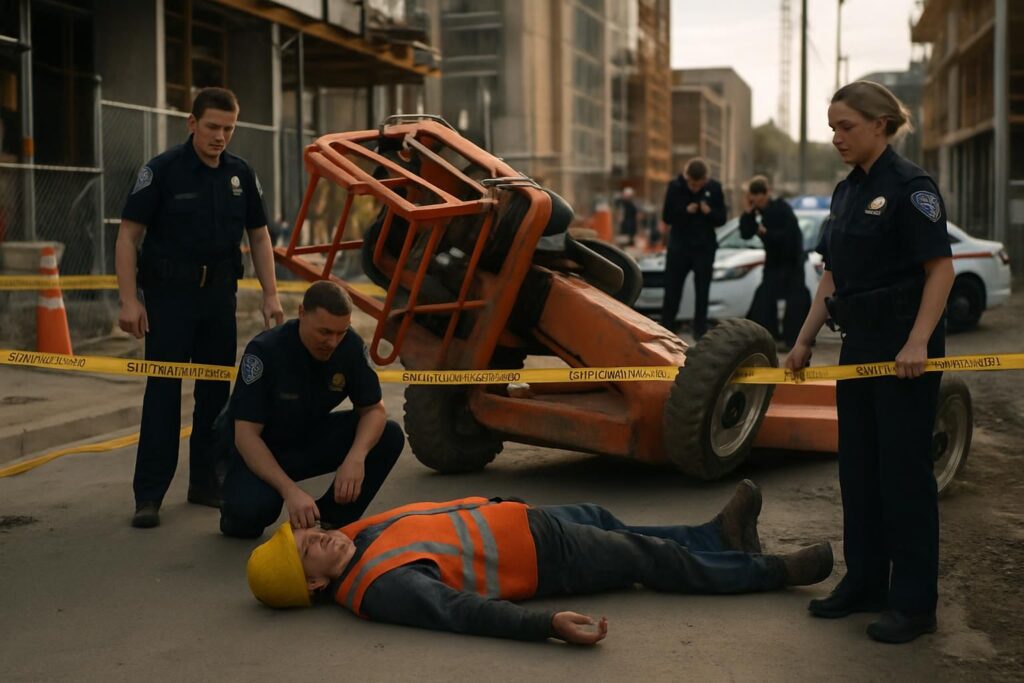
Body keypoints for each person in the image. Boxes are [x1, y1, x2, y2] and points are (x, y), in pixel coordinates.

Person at [244, 481, 835, 644]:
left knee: (609, 520)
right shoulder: (377, 587)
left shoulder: (352, 540)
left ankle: (719, 536)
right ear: (316, 587)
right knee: (646, 558)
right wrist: (545, 626)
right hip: (547, 560)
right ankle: (772, 572)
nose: (318, 537)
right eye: (308, 553)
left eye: (309, 536)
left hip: (527, 520)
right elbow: (464, 612)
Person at [784, 81, 954, 644]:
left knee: (904, 476)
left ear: (881, 124)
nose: (836, 137)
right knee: (858, 471)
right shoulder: (845, 192)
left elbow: (940, 271)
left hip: (904, 350)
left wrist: (918, 343)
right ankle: (864, 583)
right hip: (859, 348)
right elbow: (832, 274)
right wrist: (804, 340)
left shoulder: (911, 188)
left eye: (846, 126)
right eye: (832, 127)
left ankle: (913, 603)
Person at [116, 87, 285, 529]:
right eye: (212, 126)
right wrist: (130, 299)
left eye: (228, 128)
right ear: (192, 124)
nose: (220, 136)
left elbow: (260, 236)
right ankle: (149, 495)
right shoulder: (163, 171)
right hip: (169, 299)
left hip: (218, 299)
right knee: (164, 394)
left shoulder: (240, 174)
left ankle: (206, 483)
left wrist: (271, 294)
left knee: (214, 394)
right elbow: (128, 236)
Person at [218, 280, 405, 539]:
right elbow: (246, 436)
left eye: (341, 332)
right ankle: (235, 501)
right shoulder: (265, 351)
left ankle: (329, 519)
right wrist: (289, 491)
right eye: (325, 332)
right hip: (263, 448)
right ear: (302, 312)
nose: (333, 342)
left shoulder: (349, 346)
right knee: (249, 516)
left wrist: (356, 457)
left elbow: (374, 409)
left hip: (307, 437)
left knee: (388, 435)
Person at [739, 175, 811, 347]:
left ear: (764, 195)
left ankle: (794, 340)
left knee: (796, 302)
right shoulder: (758, 211)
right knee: (764, 298)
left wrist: (766, 233)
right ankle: (769, 337)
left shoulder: (781, 209)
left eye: (756, 197)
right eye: (751, 198)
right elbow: (746, 232)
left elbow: (787, 238)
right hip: (774, 262)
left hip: (792, 261)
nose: (754, 201)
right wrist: (748, 212)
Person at [660, 158, 727, 338]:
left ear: (706, 179)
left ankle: (700, 332)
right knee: (672, 289)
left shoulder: (715, 188)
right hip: (679, 248)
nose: (696, 188)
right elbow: (666, 216)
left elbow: (722, 219)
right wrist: (684, 210)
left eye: (700, 184)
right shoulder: (675, 187)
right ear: (686, 177)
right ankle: (666, 329)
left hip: (704, 248)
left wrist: (709, 212)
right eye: (692, 184)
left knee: (702, 291)